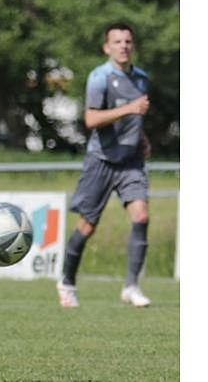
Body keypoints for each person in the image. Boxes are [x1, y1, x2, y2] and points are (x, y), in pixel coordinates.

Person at [56, 22, 153, 308]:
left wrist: (142, 138)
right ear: (106, 47)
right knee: (87, 227)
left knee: (141, 216)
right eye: (117, 41)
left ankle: (132, 287)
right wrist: (130, 108)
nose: (123, 45)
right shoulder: (99, 77)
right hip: (101, 161)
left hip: (131, 161)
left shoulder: (142, 79)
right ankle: (67, 281)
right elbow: (91, 120)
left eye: (127, 41)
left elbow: (135, 118)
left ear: (132, 45)